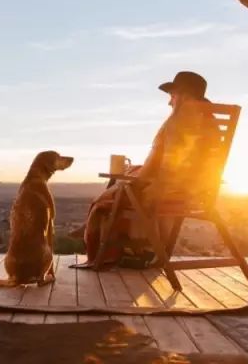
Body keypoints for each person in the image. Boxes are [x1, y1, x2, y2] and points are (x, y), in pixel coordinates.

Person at [73, 71, 222, 266]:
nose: (170, 102)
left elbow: (169, 165)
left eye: (172, 96)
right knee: (126, 178)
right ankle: (132, 248)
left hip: (170, 191)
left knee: (110, 198)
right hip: (200, 188)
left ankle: (100, 246)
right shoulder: (211, 122)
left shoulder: (181, 120)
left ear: (183, 95)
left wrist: (135, 179)